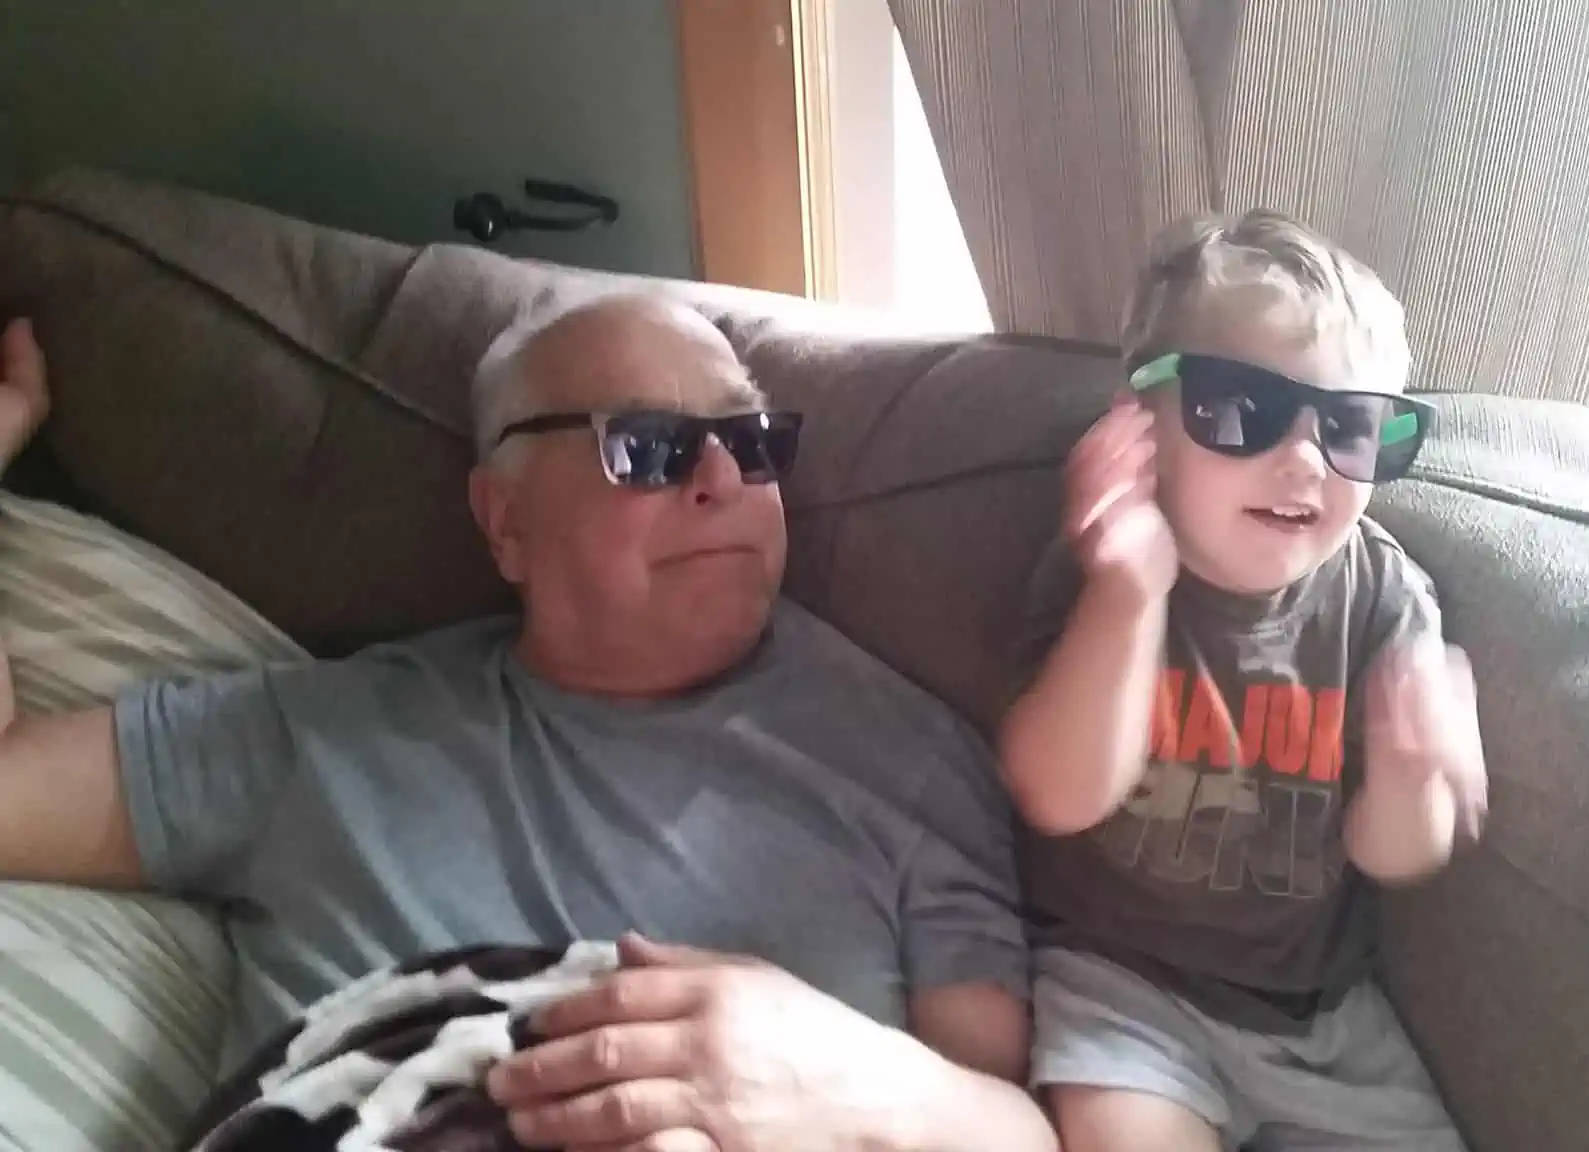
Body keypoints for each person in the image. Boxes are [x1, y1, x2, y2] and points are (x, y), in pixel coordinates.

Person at [0, 296, 1057, 1152]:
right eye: (648, 447)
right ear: (503, 519)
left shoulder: (911, 758)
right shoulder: (318, 735)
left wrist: (837, 1074)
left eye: (749, 439)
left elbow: (1014, 1129)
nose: (725, 480)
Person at [1000, 211, 1488, 1151]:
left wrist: (1411, 766)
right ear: (1137, 425)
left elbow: (1398, 858)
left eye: (1350, 428)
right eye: (1241, 411)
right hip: (1127, 993)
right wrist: (1127, 596)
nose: (1304, 457)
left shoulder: (1384, 597)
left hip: (1326, 1022)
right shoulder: (1105, 565)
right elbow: (1054, 796)